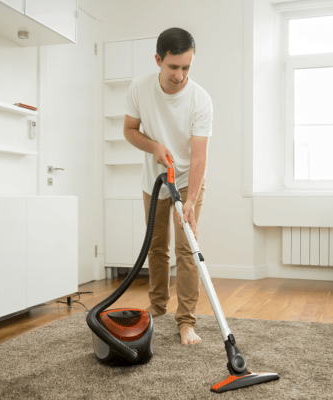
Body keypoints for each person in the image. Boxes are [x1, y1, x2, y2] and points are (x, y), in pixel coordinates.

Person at [123, 27, 213, 345]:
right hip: (155, 179)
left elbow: (200, 156)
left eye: (186, 67)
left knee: (187, 248)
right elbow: (130, 130)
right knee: (156, 247)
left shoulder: (200, 100)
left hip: (189, 179)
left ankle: (186, 322)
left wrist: (189, 202)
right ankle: (157, 310)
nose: (179, 75)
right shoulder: (140, 88)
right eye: (173, 67)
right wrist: (154, 147)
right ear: (159, 60)